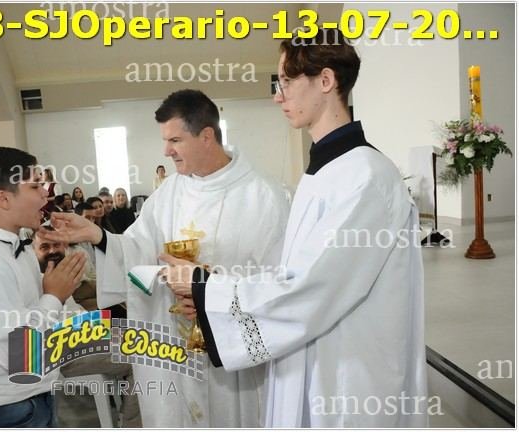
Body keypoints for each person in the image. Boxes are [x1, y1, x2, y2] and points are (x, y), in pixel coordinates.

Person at [162, 33, 428, 428]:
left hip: (347, 374)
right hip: (315, 357)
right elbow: (299, 272)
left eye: (286, 81)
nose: (277, 96)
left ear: (326, 81)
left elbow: (312, 288)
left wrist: (205, 287)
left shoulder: (365, 176)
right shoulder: (325, 171)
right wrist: (211, 289)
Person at [40, 89, 290, 428]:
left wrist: (210, 292)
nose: (166, 151)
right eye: (165, 140)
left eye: (175, 140)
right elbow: (138, 249)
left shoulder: (265, 197)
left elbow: (278, 284)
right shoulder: (170, 192)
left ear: (206, 136)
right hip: (177, 343)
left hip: (232, 354)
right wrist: (98, 236)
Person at [0, 147, 86, 427]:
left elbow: (29, 312)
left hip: (28, 397)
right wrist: (54, 296)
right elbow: (18, 355)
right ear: (4, 199)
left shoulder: (15, 242)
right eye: (35, 186)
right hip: (2, 409)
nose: (46, 194)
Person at [31, 226, 140, 426]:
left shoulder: (60, 275)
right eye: (45, 247)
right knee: (145, 357)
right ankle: (132, 425)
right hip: (62, 353)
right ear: (33, 252)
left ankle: (136, 416)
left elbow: (76, 314)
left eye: (57, 245)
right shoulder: (33, 280)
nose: (52, 251)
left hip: (87, 336)